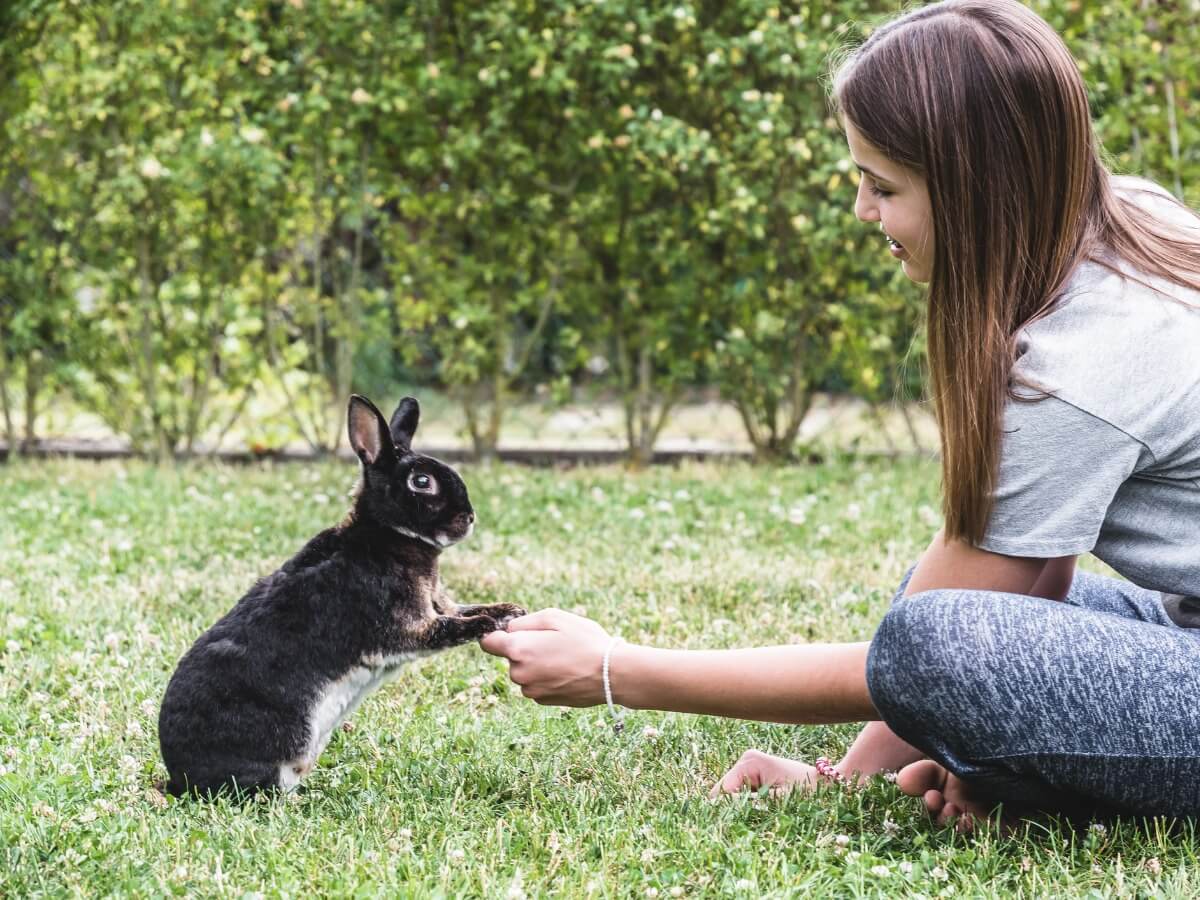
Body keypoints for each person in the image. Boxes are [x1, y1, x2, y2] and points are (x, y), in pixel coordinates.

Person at [481, 0, 1200, 829]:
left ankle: (1033, 790)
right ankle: (1007, 782)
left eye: (883, 185)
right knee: (936, 611)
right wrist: (849, 778)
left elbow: (912, 663)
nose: (863, 210)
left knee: (935, 644)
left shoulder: (1078, 370)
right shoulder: (1129, 218)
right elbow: (1031, 577)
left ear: (977, 190)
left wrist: (619, 669)